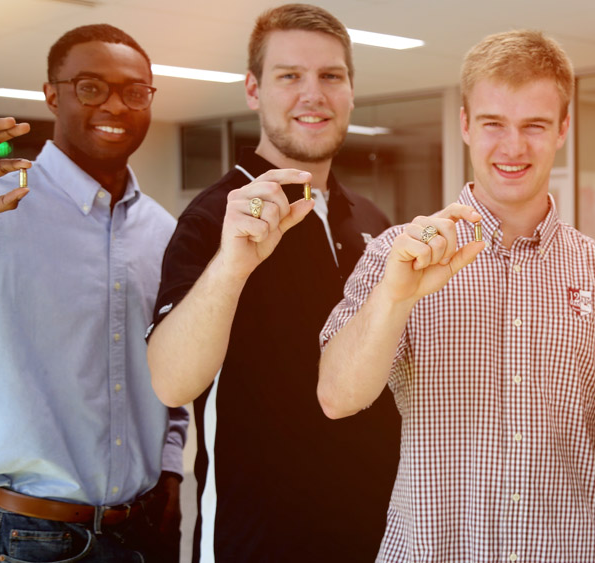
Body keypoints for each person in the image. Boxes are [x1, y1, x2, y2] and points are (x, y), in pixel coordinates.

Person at [318, 29, 595, 562]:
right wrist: (395, 297)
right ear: (464, 124)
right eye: (492, 124)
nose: (513, 147)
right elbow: (337, 398)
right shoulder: (400, 256)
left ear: (563, 129)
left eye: (534, 125)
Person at [145, 4, 399, 561]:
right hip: (259, 538)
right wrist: (233, 266)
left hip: (375, 536)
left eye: (331, 76)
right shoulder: (214, 218)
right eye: (290, 77)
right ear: (254, 90)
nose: (314, 94)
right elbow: (169, 382)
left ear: (351, 92)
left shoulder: (372, 222)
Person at [0, 24, 188, 563]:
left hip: (147, 530)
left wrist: (170, 469)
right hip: (26, 539)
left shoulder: (164, 231)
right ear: (52, 94)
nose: (116, 106)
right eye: (91, 87)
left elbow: (173, 370)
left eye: (135, 91)